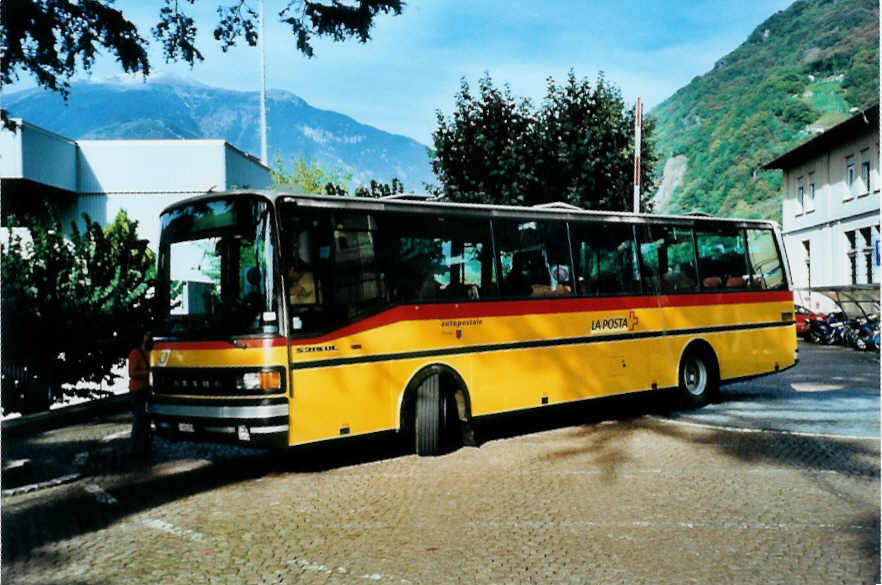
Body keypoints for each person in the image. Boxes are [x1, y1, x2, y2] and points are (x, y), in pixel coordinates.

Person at [128, 331, 152, 458]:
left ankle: (144, 448)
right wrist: (147, 373)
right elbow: (132, 373)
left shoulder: (148, 353)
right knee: (139, 421)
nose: (149, 336)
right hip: (137, 391)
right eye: (146, 334)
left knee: (145, 421)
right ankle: (133, 449)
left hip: (145, 390)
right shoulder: (135, 353)